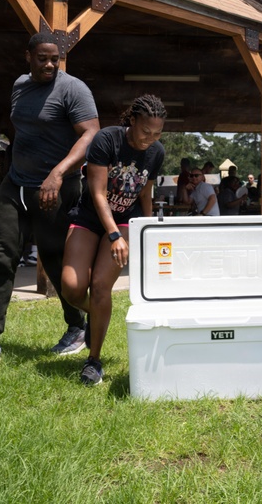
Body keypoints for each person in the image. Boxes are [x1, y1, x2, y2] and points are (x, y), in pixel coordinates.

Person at [0, 33, 100, 370]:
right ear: (29, 56)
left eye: (56, 59)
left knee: (55, 261)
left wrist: (58, 172)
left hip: (56, 188)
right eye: (43, 58)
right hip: (16, 185)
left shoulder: (73, 89)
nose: (50, 64)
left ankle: (76, 327)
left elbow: (91, 132)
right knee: (1, 256)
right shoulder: (20, 85)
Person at [61, 95, 166, 386]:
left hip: (124, 219)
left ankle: (93, 361)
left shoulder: (156, 152)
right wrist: (114, 236)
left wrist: (146, 232)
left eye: (157, 133)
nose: (150, 138)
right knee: (71, 287)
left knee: (101, 288)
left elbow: (145, 194)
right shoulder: (107, 140)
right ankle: (97, 314)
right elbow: (97, 194)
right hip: (89, 216)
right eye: (146, 131)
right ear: (132, 121)